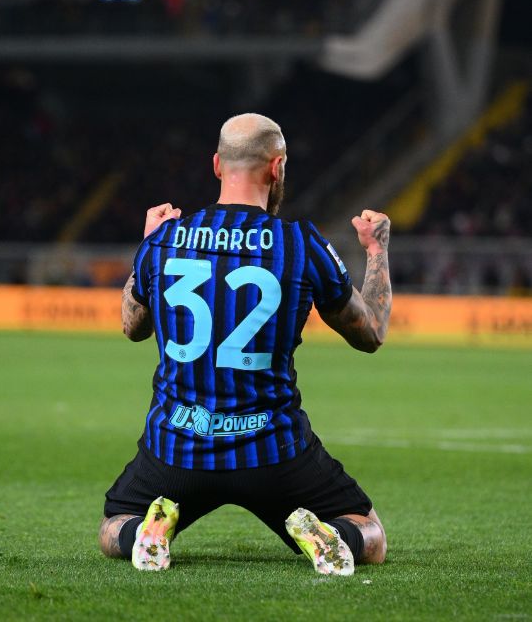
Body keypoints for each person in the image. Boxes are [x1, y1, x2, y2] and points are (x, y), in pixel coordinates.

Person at [99, 113, 392, 575]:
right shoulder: (301, 244)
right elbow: (371, 332)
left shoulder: (165, 241)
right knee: (368, 533)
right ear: (277, 168)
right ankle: (330, 537)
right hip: (274, 452)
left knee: (115, 524)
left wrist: (147, 245)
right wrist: (376, 250)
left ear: (217, 165)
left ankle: (147, 533)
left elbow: (131, 326)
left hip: (178, 447)